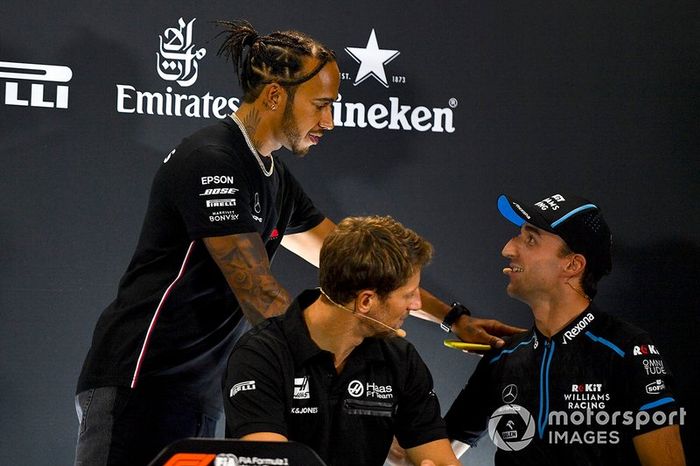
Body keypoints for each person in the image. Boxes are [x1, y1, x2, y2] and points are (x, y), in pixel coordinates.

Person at [74, 20, 520, 466]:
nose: (329, 120)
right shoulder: (212, 159)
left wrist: (453, 318)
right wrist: (341, 370)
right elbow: (259, 294)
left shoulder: (272, 175)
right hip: (139, 382)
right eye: (321, 105)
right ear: (274, 96)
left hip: (197, 392)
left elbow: (361, 268)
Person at [445, 192, 686, 465]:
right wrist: (443, 320)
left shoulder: (626, 349)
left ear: (572, 265)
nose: (508, 249)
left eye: (530, 239)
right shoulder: (502, 357)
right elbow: (423, 455)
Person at [223, 216, 460, 466]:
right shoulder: (259, 357)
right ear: (366, 301)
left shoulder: (400, 359)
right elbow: (269, 462)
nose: (417, 305)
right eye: (409, 295)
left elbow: (440, 460)